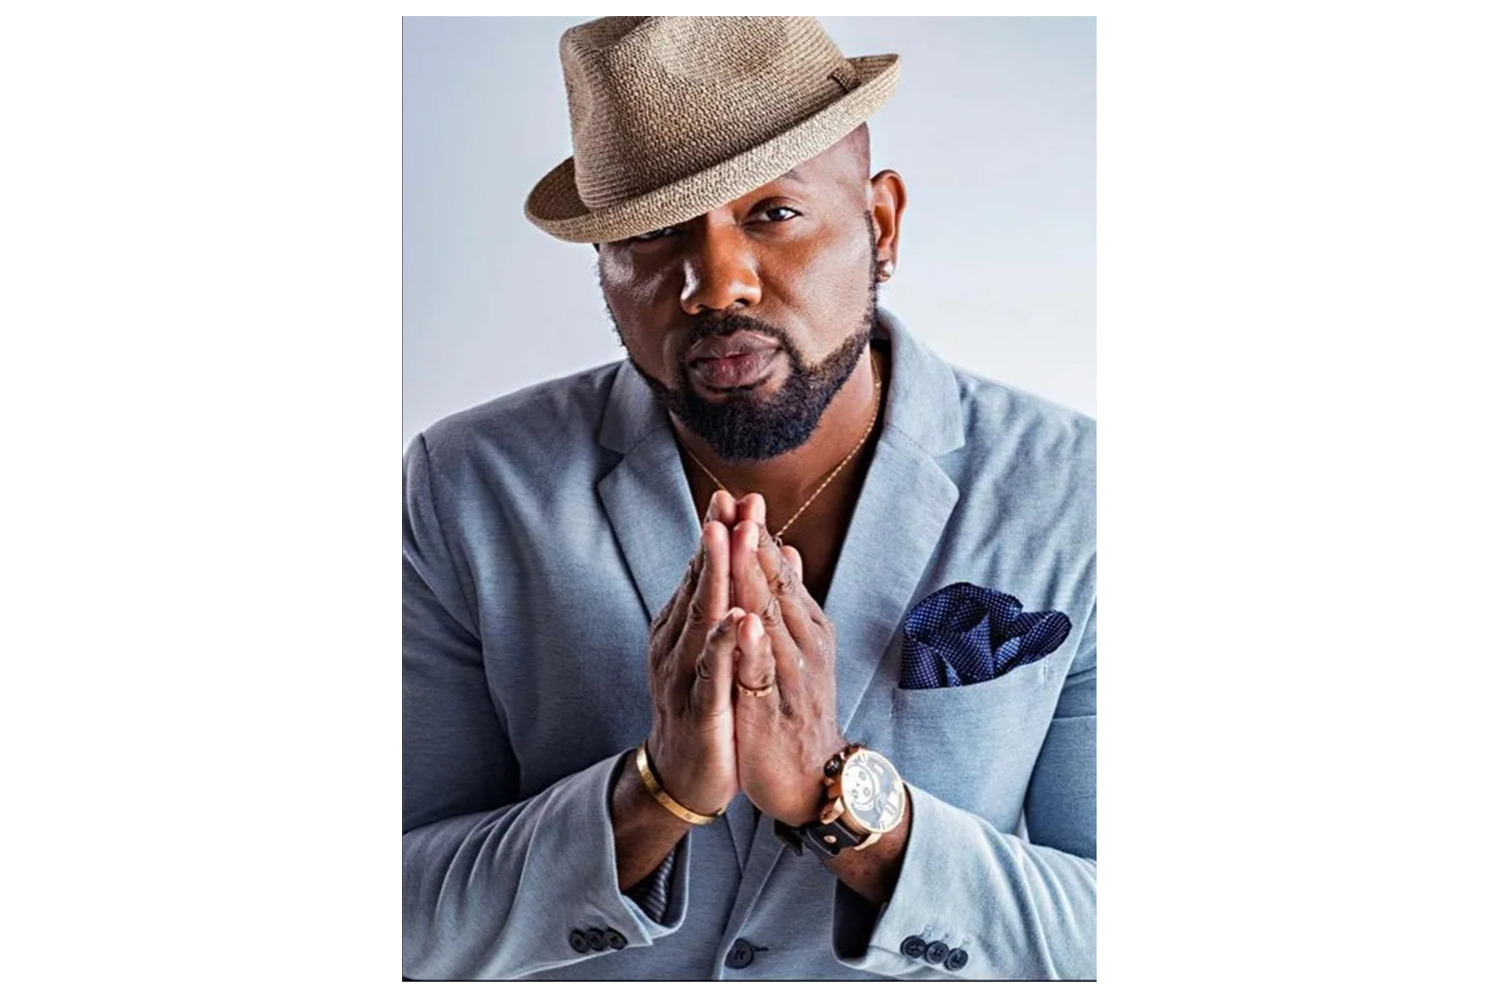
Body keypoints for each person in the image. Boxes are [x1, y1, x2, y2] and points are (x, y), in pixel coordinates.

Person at [403, 16, 1095, 981]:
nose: (714, 283)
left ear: (882, 224)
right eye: (652, 230)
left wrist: (845, 806)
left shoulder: (1075, 490)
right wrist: (653, 796)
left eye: (772, 213)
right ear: (603, 264)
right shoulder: (468, 484)